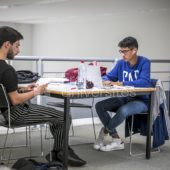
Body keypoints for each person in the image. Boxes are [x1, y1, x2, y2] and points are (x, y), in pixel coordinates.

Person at [0, 26, 86, 166]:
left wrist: (24, 90)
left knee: (57, 117)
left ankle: (59, 151)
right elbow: (15, 100)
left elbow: (6, 94)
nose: (18, 50)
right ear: (7, 45)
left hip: (2, 114)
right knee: (63, 117)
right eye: (17, 45)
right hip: (16, 114)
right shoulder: (7, 70)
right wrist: (36, 92)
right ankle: (60, 152)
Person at [94, 36, 151, 152]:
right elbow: (109, 76)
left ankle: (105, 131)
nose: (122, 54)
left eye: (125, 51)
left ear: (134, 50)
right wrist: (104, 80)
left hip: (142, 100)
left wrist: (122, 83)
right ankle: (116, 139)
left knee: (123, 111)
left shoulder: (144, 62)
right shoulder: (121, 63)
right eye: (121, 51)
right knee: (99, 106)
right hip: (126, 97)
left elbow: (144, 82)